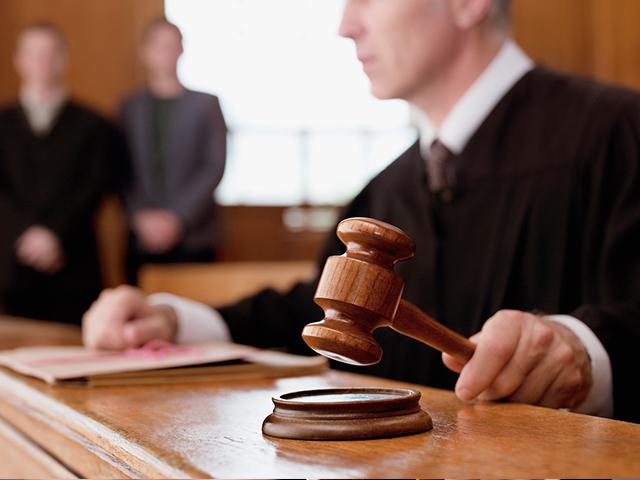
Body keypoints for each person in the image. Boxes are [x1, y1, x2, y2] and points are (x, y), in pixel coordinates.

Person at [83, 0, 640, 423]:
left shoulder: (620, 134)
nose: (346, 24)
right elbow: (321, 311)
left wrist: (589, 352)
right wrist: (175, 322)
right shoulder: (385, 189)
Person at [0, 23, 113, 324]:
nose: (43, 63)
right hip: (13, 262)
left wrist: (53, 233)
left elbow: (96, 185)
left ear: (64, 59)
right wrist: (26, 233)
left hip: (74, 262)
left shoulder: (93, 125)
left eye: (51, 54)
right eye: (34, 54)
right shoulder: (3, 123)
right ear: (18, 60)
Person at [120, 19, 227, 284]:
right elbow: (120, 169)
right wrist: (140, 217)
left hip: (194, 236)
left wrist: (177, 218)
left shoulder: (206, 104)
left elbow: (213, 166)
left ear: (182, 50)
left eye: (172, 44)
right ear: (145, 52)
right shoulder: (129, 108)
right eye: (158, 45)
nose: (165, 52)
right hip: (140, 237)